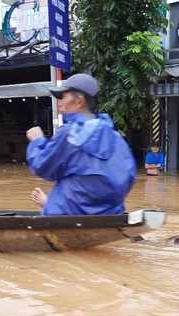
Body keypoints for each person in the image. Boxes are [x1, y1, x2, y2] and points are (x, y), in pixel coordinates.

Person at [25, 73, 137, 215]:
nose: (59, 102)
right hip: (110, 214)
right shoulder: (115, 136)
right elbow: (129, 177)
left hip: (68, 215)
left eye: (63, 97)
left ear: (79, 101)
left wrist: (37, 141)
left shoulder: (71, 133)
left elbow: (43, 166)